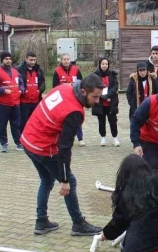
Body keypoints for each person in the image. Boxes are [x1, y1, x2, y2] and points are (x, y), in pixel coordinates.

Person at [20, 73, 105, 236]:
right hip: (42, 147)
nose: (97, 101)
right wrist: (65, 180)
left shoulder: (63, 88)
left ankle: (41, 221)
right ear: (83, 92)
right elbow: (64, 149)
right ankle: (78, 224)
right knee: (70, 181)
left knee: (46, 179)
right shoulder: (74, 112)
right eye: (94, 97)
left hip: (28, 140)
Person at [0, 51, 24, 152]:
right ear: (2, 60)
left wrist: (21, 90)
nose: (8, 61)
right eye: (6, 59)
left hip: (15, 102)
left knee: (16, 124)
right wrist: (3, 90)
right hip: (3, 103)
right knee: (3, 124)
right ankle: (4, 143)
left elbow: (21, 83)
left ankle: (18, 143)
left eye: (10, 59)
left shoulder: (15, 72)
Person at [53, 53, 85, 146]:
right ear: (61, 61)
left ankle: (80, 138)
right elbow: (55, 86)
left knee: (77, 118)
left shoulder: (76, 69)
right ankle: (64, 139)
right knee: (63, 119)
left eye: (68, 59)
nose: (66, 61)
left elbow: (81, 83)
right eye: (64, 59)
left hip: (75, 98)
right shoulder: (57, 71)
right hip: (63, 99)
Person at [91, 57, 120, 147]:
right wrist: (102, 97)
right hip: (100, 102)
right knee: (101, 121)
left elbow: (115, 87)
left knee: (113, 121)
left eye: (106, 64)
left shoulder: (112, 74)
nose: (104, 65)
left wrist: (108, 96)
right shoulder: (95, 75)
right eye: (103, 64)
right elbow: (93, 87)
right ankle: (103, 137)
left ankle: (115, 138)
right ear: (100, 64)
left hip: (111, 102)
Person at [17, 51, 46, 130]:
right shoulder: (19, 69)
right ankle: (22, 139)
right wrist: (22, 91)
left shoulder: (38, 69)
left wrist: (39, 90)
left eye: (34, 60)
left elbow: (43, 82)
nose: (33, 62)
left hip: (35, 101)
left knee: (34, 121)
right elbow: (16, 83)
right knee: (23, 122)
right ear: (26, 59)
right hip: (23, 101)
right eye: (31, 60)